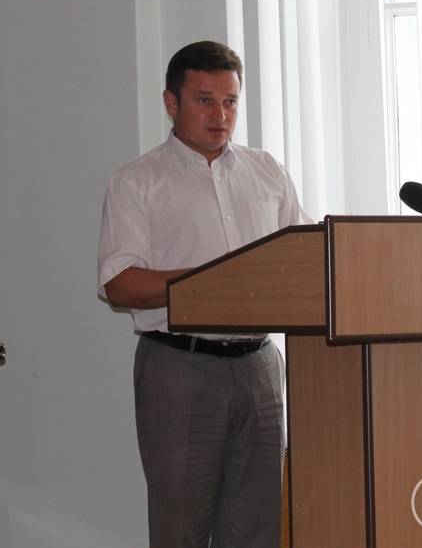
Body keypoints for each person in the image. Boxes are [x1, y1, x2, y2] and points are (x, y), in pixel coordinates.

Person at [97, 41, 311, 548]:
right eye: (204, 100)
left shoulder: (267, 171)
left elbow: (306, 258)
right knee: (181, 529)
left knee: (258, 528)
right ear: (171, 102)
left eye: (230, 101)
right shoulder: (137, 182)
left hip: (259, 367)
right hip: (180, 366)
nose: (220, 114)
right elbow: (119, 284)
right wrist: (208, 283)